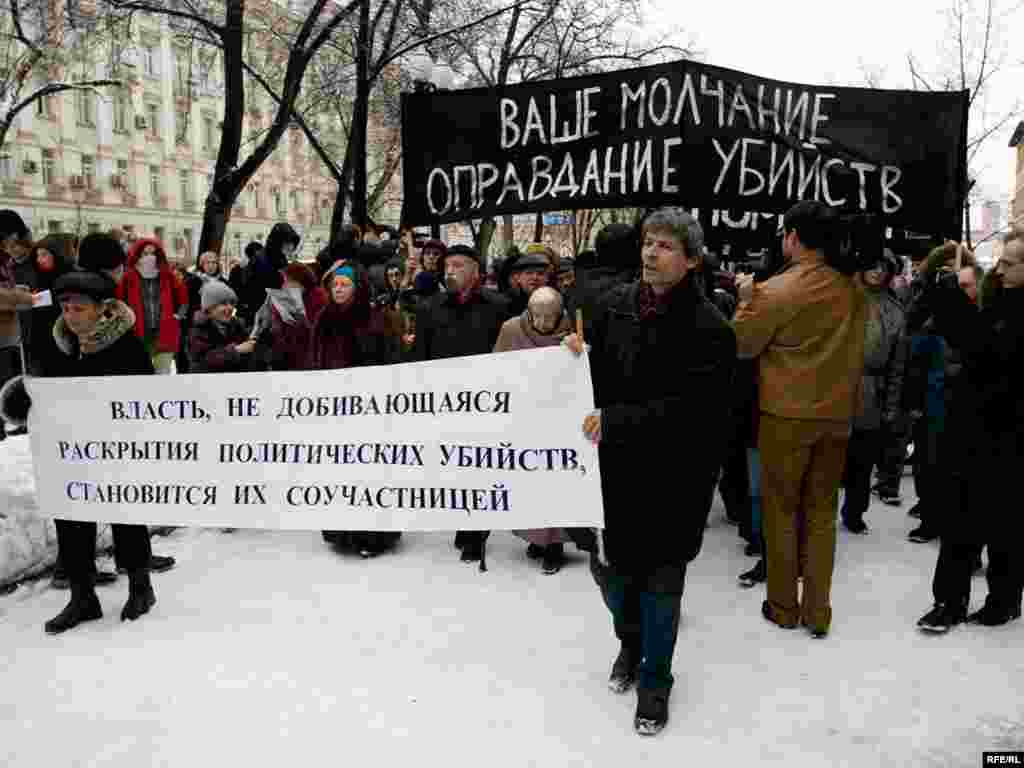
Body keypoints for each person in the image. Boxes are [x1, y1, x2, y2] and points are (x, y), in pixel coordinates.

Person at [564, 208, 735, 736]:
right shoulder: (614, 306)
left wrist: (617, 419)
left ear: (691, 259)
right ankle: (630, 646)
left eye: (664, 246)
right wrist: (575, 358)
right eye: (647, 243)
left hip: (673, 480)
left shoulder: (710, 328)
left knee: (662, 587)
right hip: (613, 474)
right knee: (616, 579)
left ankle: (655, 682)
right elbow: (596, 376)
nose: (650, 254)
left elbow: (696, 411)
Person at [732, 201, 866, 639]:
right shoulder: (853, 288)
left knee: (782, 511)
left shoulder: (776, 290)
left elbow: (744, 346)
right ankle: (818, 610)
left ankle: (784, 605)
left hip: (785, 416)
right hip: (838, 414)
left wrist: (745, 302)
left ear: (792, 236)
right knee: (822, 514)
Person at [0, 267, 157, 633]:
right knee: (71, 517)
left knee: (127, 514)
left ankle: (140, 585)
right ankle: (82, 595)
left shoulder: (127, 345)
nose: (69, 316)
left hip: (118, 452)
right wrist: (26, 397)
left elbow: (149, 400)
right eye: (65, 308)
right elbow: (40, 389)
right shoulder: (55, 343)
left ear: (103, 309)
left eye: (79, 308)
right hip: (71, 454)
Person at [914, 232, 1023, 632]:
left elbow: (984, 349)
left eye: (1012, 262)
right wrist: (947, 289)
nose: (1000, 267)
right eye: (1003, 260)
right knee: (961, 520)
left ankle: (1005, 598)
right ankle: (949, 601)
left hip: (1009, 436)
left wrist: (951, 297)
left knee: (1006, 525)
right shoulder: (999, 301)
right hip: (974, 429)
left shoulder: (1015, 314)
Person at [412, 244, 510, 564]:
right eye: (447, 266)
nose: (450, 271)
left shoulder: (498, 306)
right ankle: (462, 521)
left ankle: (475, 533)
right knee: (454, 465)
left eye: (458, 265)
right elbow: (421, 357)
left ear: (475, 271)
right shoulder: (429, 308)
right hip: (444, 400)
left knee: (478, 465)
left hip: (485, 400)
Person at [312, 259, 403, 557]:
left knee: (370, 472)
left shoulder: (375, 318)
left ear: (357, 287)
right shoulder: (324, 318)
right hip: (334, 410)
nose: (338, 289)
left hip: (369, 409)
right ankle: (342, 533)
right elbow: (316, 360)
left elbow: (389, 361)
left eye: (344, 284)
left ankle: (374, 536)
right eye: (335, 284)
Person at [493, 286, 574, 574]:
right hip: (524, 418)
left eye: (548, 317)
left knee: (555, 483)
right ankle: (535, 537)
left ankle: (554, 544)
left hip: (559, 421)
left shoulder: (573, 331)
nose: (541, 323)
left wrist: (579, 353)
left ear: (560, 313)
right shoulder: (511, 329)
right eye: (536, 315)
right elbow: (495, 368)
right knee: (530, 482)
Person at [839, 249, 907, 535]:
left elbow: (897, 367)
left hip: (871, 394)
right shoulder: (843, 297)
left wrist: (891, 405)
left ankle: (855, 512)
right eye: (872, 265)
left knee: (862, 461)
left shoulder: (894, 311)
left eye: (884, 267)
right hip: (837, 387)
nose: (877, 271)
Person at [117, 238, 188, 374]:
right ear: (137, 255)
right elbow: (120, 302)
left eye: (153, 253)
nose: (150, 257)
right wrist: (126, 324)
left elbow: (183, 298)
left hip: (164, 334)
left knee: (163, 374)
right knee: (140, 374)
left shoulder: (168, 276)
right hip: (138, 335)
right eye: (145, 254)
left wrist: (177, 317)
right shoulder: (128, 277)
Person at [252, 262, 324, 371]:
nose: (284, 285)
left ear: (301, 281)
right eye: (284, 281)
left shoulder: (319, 299)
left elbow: (315, 332)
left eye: (288, 281)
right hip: (285, 358)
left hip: (310, 359)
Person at [0, 210, 33, 441]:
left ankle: (16, 418)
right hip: (5, 333)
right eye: (7, 237)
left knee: (12, 379)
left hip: (13, 333)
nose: (10, 243)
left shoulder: (11, 258)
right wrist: (20, 297)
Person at [189, 281, 266, 374]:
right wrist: (236, 350)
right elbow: (204, 360)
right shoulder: (198, 329)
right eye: (223, 303)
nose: (230, 308)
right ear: (209, 308)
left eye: (232, 303)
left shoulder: (237, 326)